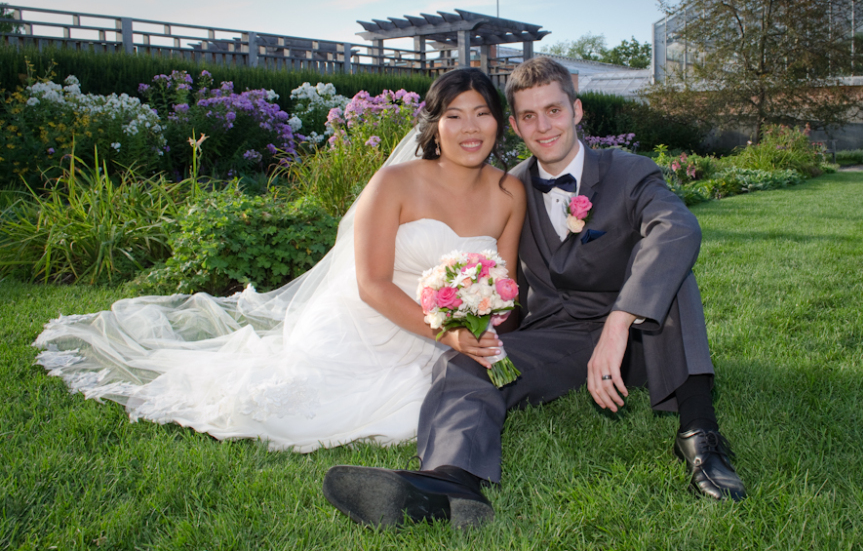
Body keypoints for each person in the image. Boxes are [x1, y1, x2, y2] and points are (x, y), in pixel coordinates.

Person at [322, 57, 746, 529]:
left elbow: (678, 228)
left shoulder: (629, 171)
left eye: (554, 111)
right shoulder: (511, 187)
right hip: (559, 339)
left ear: (576, 110)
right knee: (466, 361)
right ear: (516, 125)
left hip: (642, 342)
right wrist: (483, 333)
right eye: (529, 116)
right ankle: (451, 480)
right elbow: (505, 284)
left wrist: (619, 321)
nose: (543, 126)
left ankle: (700, 438)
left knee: (672, 270)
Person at [33, 68, 526, 452]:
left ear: (498, 123)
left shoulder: (508, 192)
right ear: (434, 126)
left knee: (428, 406)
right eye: (454, 115)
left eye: (481, 113)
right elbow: (372, 284)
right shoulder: (395, 183)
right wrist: (447, 332)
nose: (469, 128)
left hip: (442, 342)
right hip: (367, 323)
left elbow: (503, 286)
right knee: (298, 409)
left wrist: (482, 322)